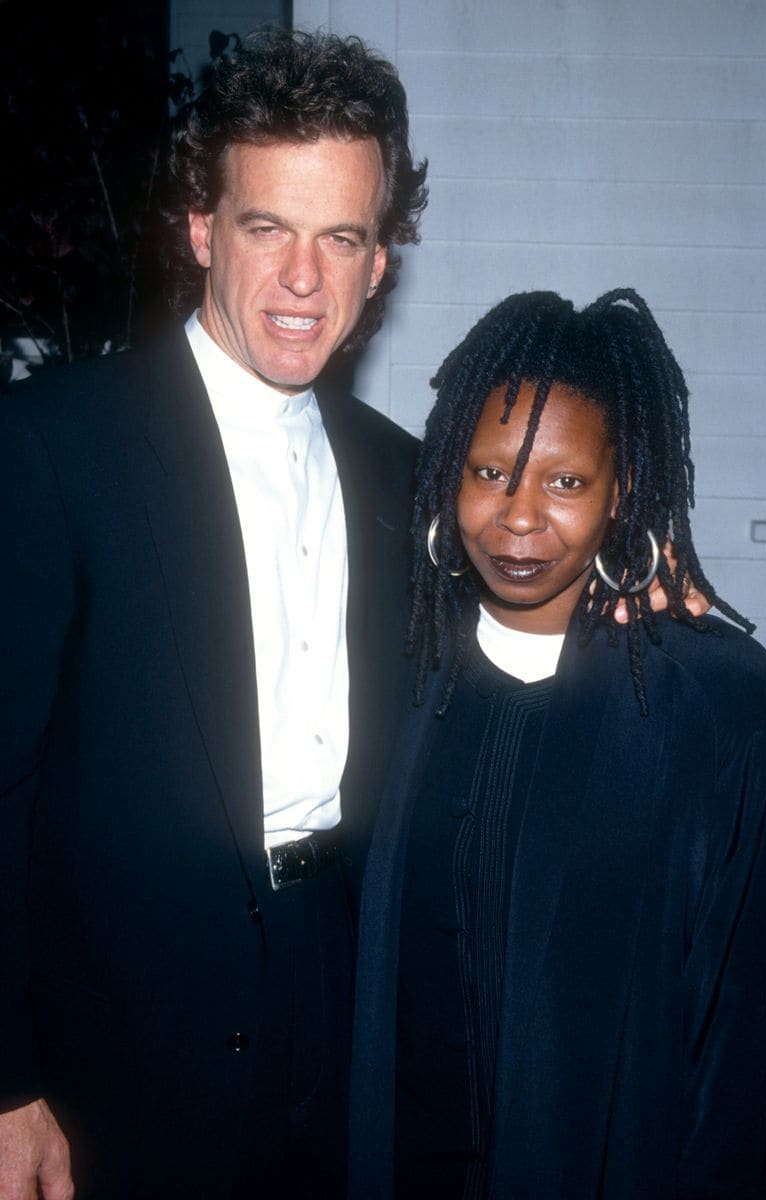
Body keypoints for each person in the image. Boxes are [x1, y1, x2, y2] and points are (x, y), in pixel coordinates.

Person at [0, 26, 427, 1200]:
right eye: (267, 227)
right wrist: (6, 1080)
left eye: (341, 238)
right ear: (201, 230)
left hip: (338, 999)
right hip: (116, 1042)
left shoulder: (401, 475)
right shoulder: (53, 447)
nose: (304, 279)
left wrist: (647, 594)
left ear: (380, 264)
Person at [348, 288, 766, 1198]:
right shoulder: (393, 664)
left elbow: (746, 1040)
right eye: (488, 473)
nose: (519, 518)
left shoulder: (718, 704)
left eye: (565, 482)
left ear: (621, 488)